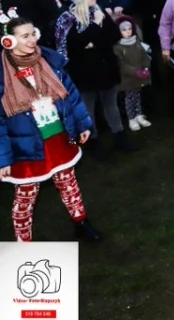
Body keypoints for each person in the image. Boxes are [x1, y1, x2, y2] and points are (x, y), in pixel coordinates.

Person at [0, 13, 101, 242]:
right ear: (9, 41)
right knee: (26, 196)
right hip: (27, 145)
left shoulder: (48, 60)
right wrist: (3, 158)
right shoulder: (1, 75)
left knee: (69, 183)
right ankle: (23, 244)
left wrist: (83, 122)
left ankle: (81, 223)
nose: (32, 40)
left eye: (33, 33)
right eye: (24, 36)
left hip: (58, 137)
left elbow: (71, 95)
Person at [55, 0, 134, 155]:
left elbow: (113, 35)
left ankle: (119, 136)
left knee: (111, 104)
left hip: (105, 68)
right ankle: (93, 141)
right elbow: (72, 45)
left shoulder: (98, 12)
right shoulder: (66, 19)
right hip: (84, 72)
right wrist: (95, 28)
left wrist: (91, 41)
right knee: (87, 108)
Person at [113, 15, 152, 131]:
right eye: (124, 30)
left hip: (139, 77)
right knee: (129, 97)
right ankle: (131, 118)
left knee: (137, 96)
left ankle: (139, 115)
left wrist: (145, 68)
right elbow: (121, 64)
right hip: (127, 79)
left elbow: (145, 57)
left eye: (129, 29)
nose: (128, 32)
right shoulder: (118, 47)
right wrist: (135, 71)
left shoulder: (137, 42)